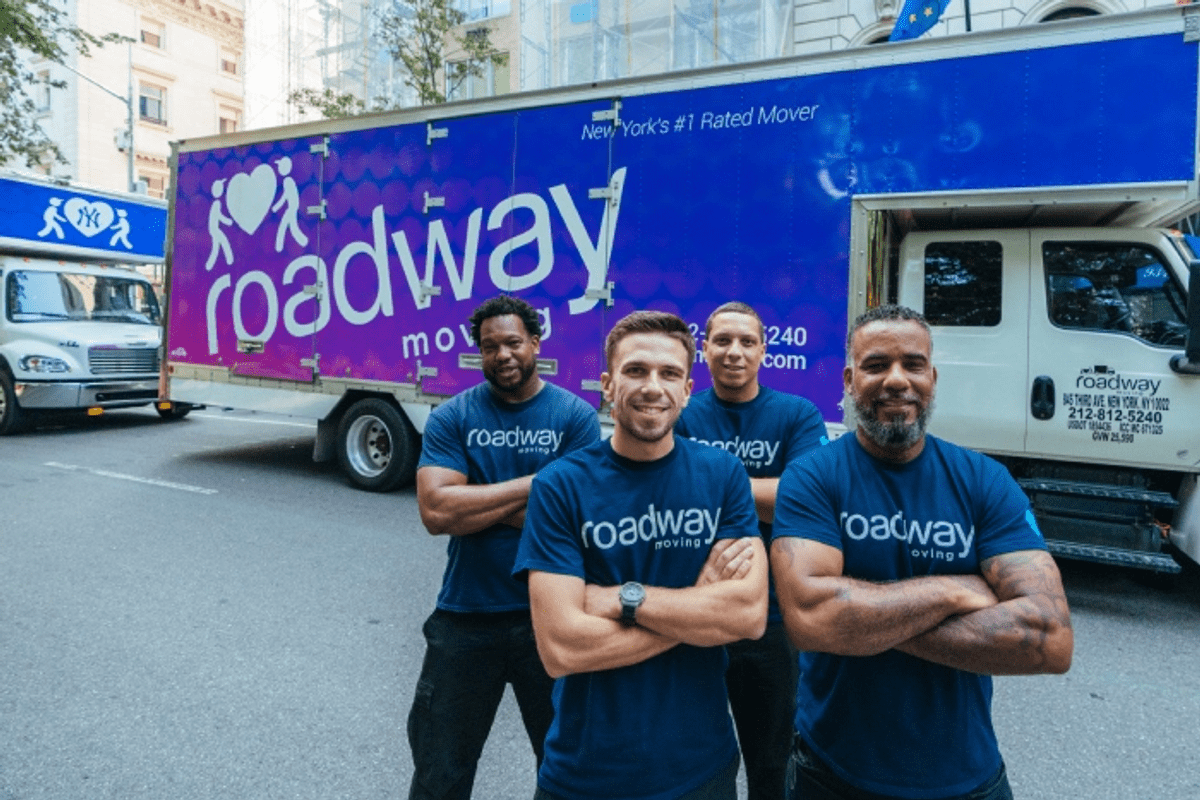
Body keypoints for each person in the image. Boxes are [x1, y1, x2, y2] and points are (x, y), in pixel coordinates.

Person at [771, 304, 1074, 800]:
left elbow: (1050, 637)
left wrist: (861, 623)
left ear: (932, 377)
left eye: (912, 364)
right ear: (849, 380)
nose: (896, 380)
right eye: (876, 365)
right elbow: (812, 620)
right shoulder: (813, 478)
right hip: (834, 771)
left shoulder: (984, 480)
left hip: (966, 774)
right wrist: (954, 591)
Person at [515, 310, 770, 800]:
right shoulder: (560, 486)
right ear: (608, 385)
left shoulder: (723, 475)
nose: (653, 387)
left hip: (702, 768)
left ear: (687, 390)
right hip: (587, 773)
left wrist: (622, 598)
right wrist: (698, 606)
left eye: (669, 373)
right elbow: (562, 648)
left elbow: (748, 616)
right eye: (635, 371)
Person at [408, 294, 601, 800]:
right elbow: (437, 513)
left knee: (568, 770)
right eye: (490, 346)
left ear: (535, 343)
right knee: (439, 771)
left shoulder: (574, 416)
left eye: (513, 342)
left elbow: (577, 520)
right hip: (465, 615)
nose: (502, 355)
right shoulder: (454, 416)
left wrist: (474, 501)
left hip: (551, 615)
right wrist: (540, 484)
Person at [675, 301, 827, 800]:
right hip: (694, 610)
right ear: (705, 349)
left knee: (772, 763)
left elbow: (799, 500)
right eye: (722, 341)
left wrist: (707, 481)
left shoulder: (796, 414)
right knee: (694, 759)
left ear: (764, 350)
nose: (734, 352)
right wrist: (759, 493)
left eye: (746, 341)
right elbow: (664, 494)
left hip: (773, 619)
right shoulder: (682, 414)